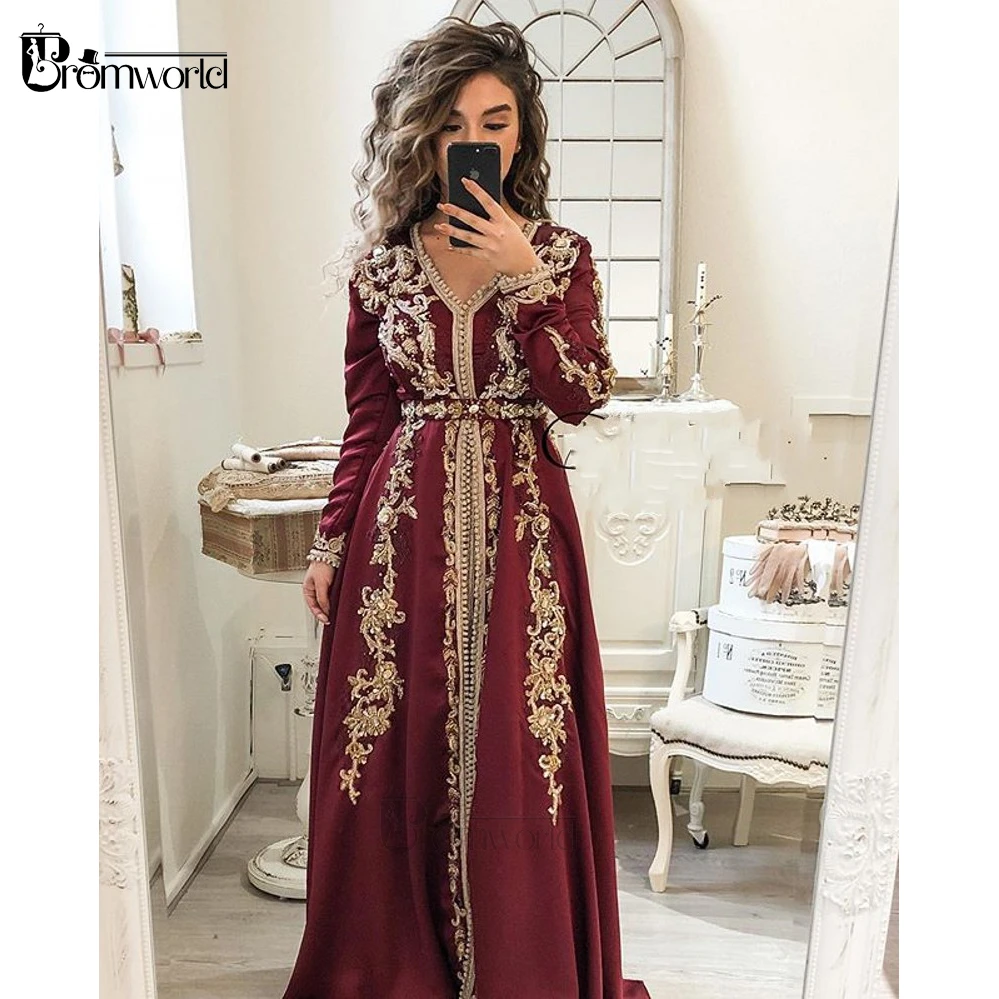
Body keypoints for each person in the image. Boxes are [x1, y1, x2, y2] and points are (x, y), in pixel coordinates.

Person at [283, 17, 651, 999]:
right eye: (452, 126)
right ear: (421, 136)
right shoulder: (383, 266)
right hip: (397, 540)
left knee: (519, 749)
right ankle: (396, 965)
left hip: (522, 534)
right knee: (392, 744)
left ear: (521, 135)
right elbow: (369, 416)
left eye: (495, 122)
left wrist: (523, 279)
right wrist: (329, 540)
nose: (475, 141)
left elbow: (580, 391)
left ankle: (518, 965)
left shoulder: (559, 255)